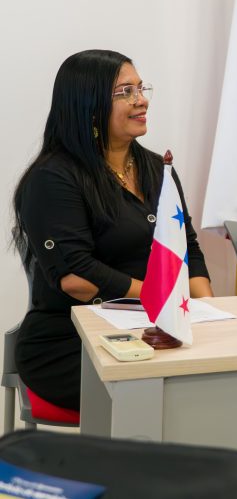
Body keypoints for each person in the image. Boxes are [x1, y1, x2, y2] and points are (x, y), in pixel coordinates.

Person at [12, 50, 213, 414]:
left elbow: (189, 249)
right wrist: (162, 299)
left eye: (141, 88)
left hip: (159, 326)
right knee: (180, 393)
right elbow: (77, 277)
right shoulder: (53, 178)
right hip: (72, 343)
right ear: (88, 105)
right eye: (125, 92)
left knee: (225, 372)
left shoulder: (157, 168)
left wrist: (204, 310)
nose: (141, 100)